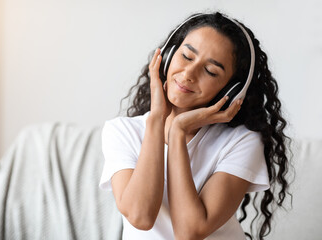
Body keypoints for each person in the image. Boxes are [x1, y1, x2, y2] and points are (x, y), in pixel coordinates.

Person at [99, 12, 291, 240]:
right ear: (168, 55)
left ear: (231, 90)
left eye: (211, 71)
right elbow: (141, 217)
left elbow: (190, 231)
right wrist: (157, 120)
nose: (189, 73)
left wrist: (178, 132)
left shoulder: (242, 141)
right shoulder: (121, 132)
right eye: (187, 56)